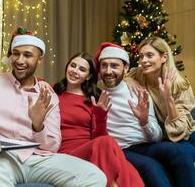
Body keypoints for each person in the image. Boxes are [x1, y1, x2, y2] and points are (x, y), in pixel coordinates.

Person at [0, 27, 107, 187]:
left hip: (39, 159)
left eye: (27, 55)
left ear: (39, 59)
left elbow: (53, 146)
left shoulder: (48, 95)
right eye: (16, 53)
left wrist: (38, 125)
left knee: (95, 177)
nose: (20, 60)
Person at [94, 42, 195, 187]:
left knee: (179, 151)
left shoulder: (140, 93)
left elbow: (156, 136)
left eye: (114, 66)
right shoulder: (96, 92)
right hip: (120, 149)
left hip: (146, 145)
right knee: (151, 167)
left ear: (126, 68)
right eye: (104, 65)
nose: (108, 71)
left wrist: (144, 121)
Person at [125, 36, 195, 165]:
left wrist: (168, 98)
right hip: (167, 136)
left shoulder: (179, 83)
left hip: (188, 130)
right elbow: (114, 76)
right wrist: (128, 79)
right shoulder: (139, 74)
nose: (144, 60)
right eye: (141, 56)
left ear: (164, 57)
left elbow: (180, 127)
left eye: (149, 55)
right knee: (184, 155)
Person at [53, 52, 144, 187]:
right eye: (73, 66)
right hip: (66, 154)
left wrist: (101, 116)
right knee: (109, 145)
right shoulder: (53, 91)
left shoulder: (94, 98)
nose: (75, 71)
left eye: (82, 69)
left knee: (126, 166)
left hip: (92, 152)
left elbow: (98, 137)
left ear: (88, 76)